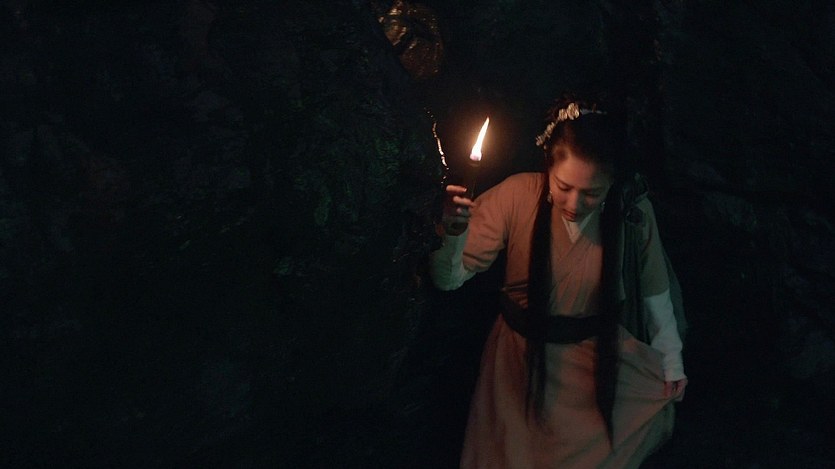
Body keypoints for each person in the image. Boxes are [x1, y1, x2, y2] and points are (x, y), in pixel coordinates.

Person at [430, 99, 687, 468]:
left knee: (646, 410)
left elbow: (654, 289)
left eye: (592, 193)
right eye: (564, 186)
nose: (574, 203)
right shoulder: (517, 195)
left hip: (593, 361)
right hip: (519, 361)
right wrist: (453, 234)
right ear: (548, 165)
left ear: (612, 184)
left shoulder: (631, 213)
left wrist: (671, 359)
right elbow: (448, 279)